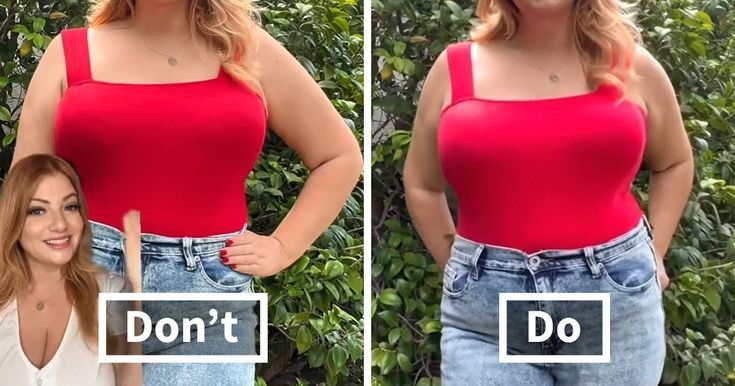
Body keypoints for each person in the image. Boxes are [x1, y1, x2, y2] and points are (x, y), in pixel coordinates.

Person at [11, 0, 362, 384]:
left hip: (206, 305)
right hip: (81, 284)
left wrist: (283, 247)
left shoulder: (247, 51)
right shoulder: (69, 54)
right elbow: (25, 190)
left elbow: (338, 156)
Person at [403, 0, 694, 385]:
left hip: (614, 310)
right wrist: (465, 269)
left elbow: (674, 162)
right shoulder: (455, 70)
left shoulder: (633, 67)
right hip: (487, 324)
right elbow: (422, 183)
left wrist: (654, 253)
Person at [0, 154, 137, 386]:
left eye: (70, 207)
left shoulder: (113, 294)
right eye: (38, 211)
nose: (60, 224)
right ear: (14, 220)